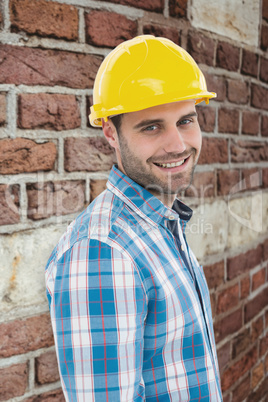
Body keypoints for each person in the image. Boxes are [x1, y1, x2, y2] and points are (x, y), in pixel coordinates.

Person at [45, 35, 223, 401]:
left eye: (186, 120)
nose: (177, 144)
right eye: (152, 127)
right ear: (111, 131)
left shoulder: (162, 222)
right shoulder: (103, 251)